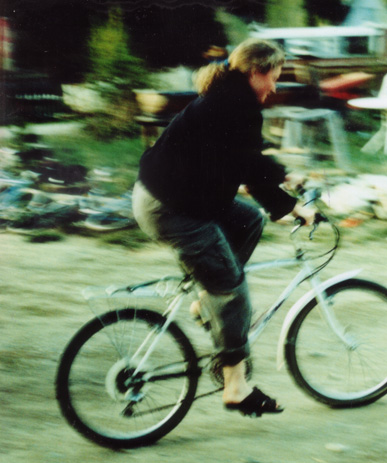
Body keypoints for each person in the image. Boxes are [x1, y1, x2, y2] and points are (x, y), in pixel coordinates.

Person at [132, 38, 315, 418]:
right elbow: (248, 167)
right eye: (274, 78)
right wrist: (291, 204)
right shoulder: (234, 105)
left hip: (169, 197)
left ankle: (204, 303)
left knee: (247, 220)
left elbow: (247, 157)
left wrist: (283, 183)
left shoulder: (229, 99)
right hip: (171, 209)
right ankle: (235, 386)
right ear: (255, 72)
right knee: (232, 291)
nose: (275, 88)